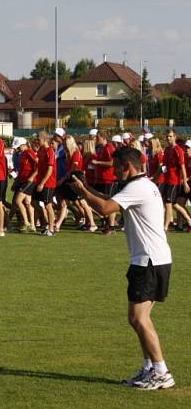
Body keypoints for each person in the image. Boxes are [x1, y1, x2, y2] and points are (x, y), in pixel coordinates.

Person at [70, 147, 175, 390]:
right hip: (151, 259)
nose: (114, 170)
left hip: (149, 261)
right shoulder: (141, 185)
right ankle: (150, 367)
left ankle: (161, 371)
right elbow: (108, 201)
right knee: (137, 318)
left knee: (139, 319)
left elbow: (105, 209)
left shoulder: (137, 187)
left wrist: (83, 192)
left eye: (116, 166)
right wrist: (85, 188)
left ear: (127, 166)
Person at [161, 129, 191, 231]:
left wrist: (185, 182)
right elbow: (164, 166)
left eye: (170, 136)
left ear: (174, 137)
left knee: (168, 202)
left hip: (175, 181)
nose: (168, 138)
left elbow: (182, 166)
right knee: (173, 204)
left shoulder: (178, 150)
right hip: (167, 180)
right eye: (167, 136)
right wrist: (156, 176)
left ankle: (165, 226)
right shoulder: (167, 150)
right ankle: (188, 219)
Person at [94, 130, 119, 234]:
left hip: (109, 179)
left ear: (103, 138)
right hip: (102, 179)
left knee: (110, 202)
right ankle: (108, 223)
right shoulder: (102, 148)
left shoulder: (109, 148)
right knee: (100, 201)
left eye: (98, 137)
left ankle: (112, 226)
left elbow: (112, 163)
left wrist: (97, 162)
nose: (96, 139)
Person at [11, 136, 37, 232]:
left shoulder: (29, 152)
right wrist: (17, 181)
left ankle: (26, 222)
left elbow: (38, 164)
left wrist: (32, 176)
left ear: (23, 145)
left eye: (18, 147)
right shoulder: (22, 154)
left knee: (18, 201)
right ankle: (32, 225)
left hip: (29, 181)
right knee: (27, 203)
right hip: (23, 180)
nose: (17, 149)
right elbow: (22, 170)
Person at [33, 132, 57, 236]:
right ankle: (47, 223)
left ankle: (51, 228)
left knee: (48, 205)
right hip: (39, 181)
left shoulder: (50, 151)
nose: (37, 142)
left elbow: (50, 169)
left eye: (38, 140)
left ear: (44, 140)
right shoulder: (41, 151)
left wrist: (42, 183)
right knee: (33, 202)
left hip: (48, 183)